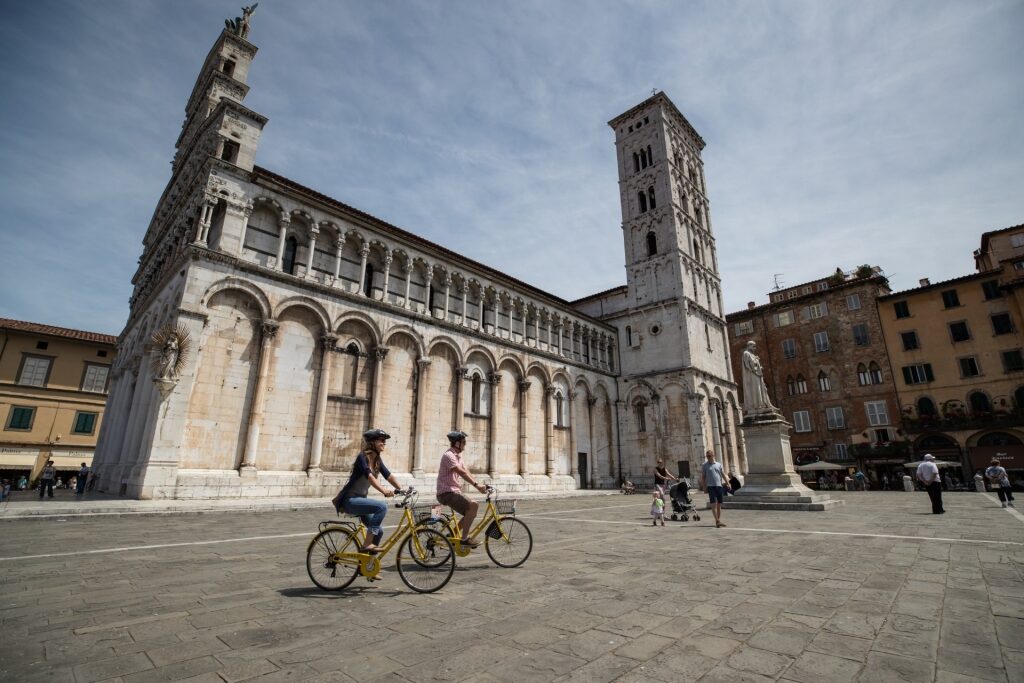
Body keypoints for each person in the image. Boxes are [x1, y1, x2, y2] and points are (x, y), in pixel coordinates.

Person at [331, 428, 403, 553]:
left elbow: (389, 476)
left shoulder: (377, 460)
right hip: (350, 500)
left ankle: (367, 567)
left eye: (384, 441)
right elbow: (369, 476)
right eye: (381, 440)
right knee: (381, 507)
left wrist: (401, 489)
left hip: (360, 500)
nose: (384, 444)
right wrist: (384, 491)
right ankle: (367, 544)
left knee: (378, 532)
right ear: (372, 442)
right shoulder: (362, 457)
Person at [437, 430, 489, 548]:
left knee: (470, 512)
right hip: (446, 492)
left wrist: (479, 484)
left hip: (453, 491)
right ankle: (464, 539)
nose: (465, 444)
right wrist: (477, 486)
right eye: (463, 442)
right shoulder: (449, 455)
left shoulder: (458, 456)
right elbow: (460, 472)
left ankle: (452, 535)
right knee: (473, 505)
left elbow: (466, 471)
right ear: (457, 443)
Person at [700, 450, 729, 528]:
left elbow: (722, 474)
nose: (708, 457)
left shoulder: (718, 464)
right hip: (710, 486)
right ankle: (717, 521)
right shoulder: (704, 465)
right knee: (714, 504)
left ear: (713, 455)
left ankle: (718, 521)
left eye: (709, 456)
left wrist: (727, 483)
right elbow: (703, 477)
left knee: (719, 504)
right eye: (707, 456)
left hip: (719, 486)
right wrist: (704, 487)